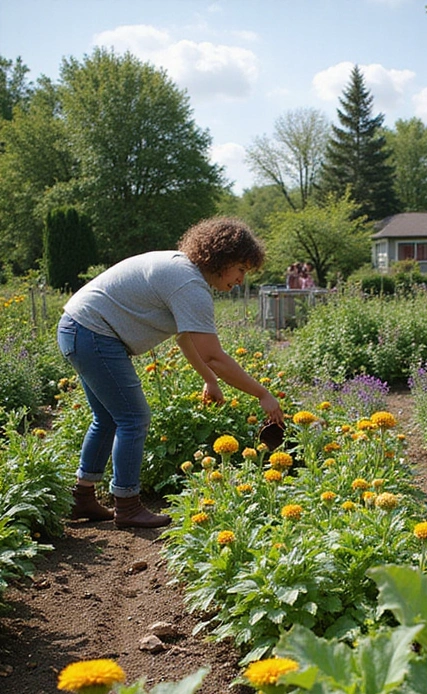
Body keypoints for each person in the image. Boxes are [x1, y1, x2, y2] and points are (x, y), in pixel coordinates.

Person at [58, 217, 285, 529]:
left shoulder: (184, 273)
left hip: (78, 329)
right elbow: (213, 355)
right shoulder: (189, 283)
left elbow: (185, 338)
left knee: (109, 417)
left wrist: (209, 379)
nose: (241, 280)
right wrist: (263, 393)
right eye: (241, 269)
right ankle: (127, 506)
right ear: (223, 258)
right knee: (133, 418)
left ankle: (82, 498)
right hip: (92, 333)